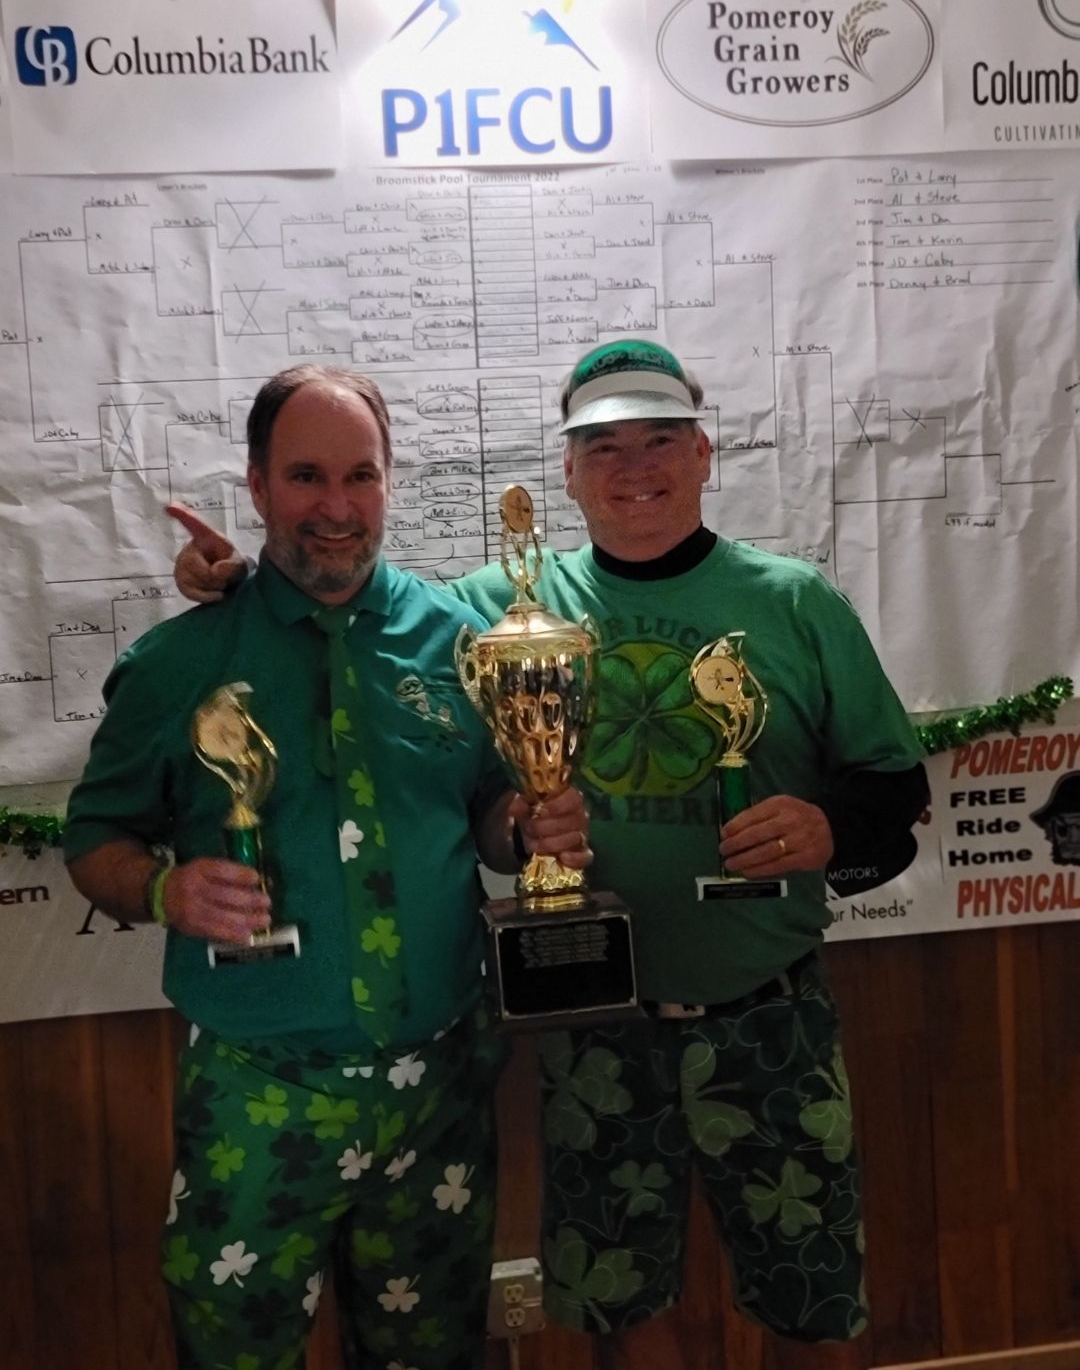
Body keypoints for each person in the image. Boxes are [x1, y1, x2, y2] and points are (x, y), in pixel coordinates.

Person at [172, 341, 929, 1359]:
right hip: (592, 1023)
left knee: (811, 1287)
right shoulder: (494, 610)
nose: (634, 467)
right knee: (616, 1307)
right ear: (567, 472)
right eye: (602, 446)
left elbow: (897, 793)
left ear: (705, 454)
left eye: (661, 440)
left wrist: (829, 827)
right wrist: (236, 587)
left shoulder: (796, 601)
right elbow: (350, 605)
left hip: (770, 1010)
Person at [64, 364, 591, 1370]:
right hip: (260, 1096)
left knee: (429, 1355)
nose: (337, 508)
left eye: (362, 476)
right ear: (257, 486)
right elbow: (96, 844)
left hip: (439, 1090)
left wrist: (523, 828)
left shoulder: (460, 644)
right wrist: (166, 889)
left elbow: (484, 813)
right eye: (306, 477)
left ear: (391, 482)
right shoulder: (181, 663)